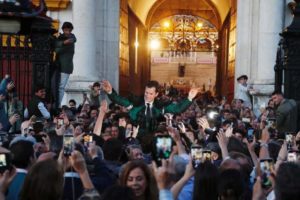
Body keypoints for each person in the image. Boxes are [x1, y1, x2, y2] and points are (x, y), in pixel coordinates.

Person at [102, 80, 198, 152]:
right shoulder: (136, 103)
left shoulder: (161, 106)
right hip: (137, 141)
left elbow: (177, 109)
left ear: (156, 94)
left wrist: (189, 98)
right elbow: (120, 100)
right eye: (146, 93)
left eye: (150, 93)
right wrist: (110, 92)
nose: (147, 96)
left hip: (158, 142)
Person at [52, 21, 77, 107]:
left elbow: (57, 50)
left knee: (61, 87)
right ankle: (55, 103)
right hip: (58, 65)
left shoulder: (71, 39)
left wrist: (60, 44)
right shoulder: (61, 38)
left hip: (65, 67)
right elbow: (55, 45)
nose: (68, 32)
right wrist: (62, 43)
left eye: (69, 30)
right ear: (63, 30)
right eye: (66, 30)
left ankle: (57, 105)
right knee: (56, 86)